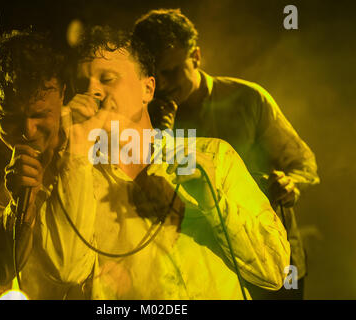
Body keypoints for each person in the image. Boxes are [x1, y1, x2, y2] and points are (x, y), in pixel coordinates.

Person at [0, 27, 289, 300]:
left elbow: (274, 271)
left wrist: (213, 202)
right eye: (85, 83)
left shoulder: (211, 157)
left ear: (148, 88)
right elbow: (63, 270)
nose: (93, 91)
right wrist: (72, 155)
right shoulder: (78, 178)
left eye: (108, 78)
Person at [133, 8, 320, 299]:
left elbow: (303, 164)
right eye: (155, 75)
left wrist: (289, 183)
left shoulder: (248, 98)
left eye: (171, 71)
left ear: (196, 56)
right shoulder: (148, 117)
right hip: (203, 273)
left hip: (269, 261)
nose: (164, 84)